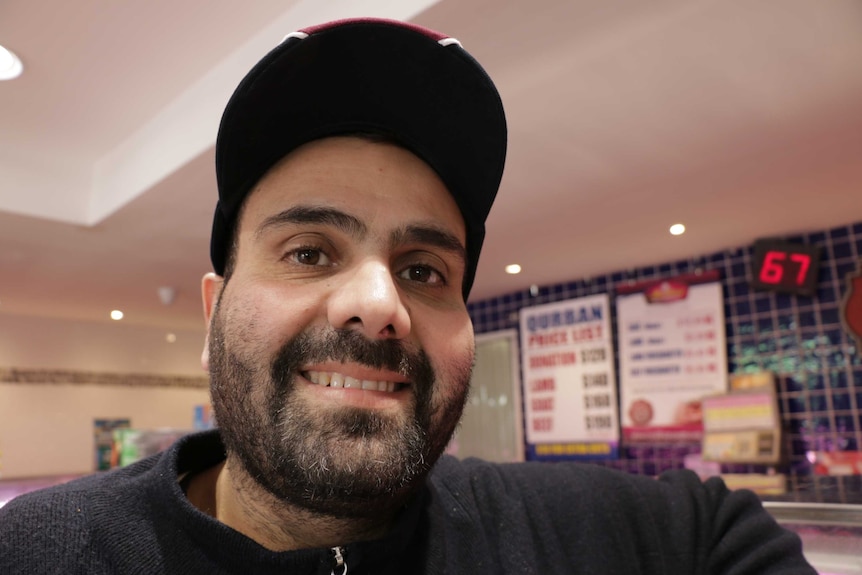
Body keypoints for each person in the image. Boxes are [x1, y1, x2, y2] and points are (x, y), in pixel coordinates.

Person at [0, 18, 816, 575]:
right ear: (214, 314)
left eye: (424, 269)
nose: (378, 304)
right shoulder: (41, 552)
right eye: (310, 250)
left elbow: (723, 531)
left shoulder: (596, 535)